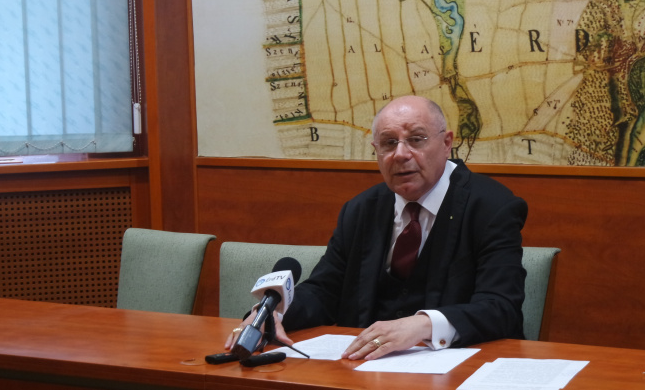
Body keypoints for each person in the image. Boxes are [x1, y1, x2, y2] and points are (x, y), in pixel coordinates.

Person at [225, 95, 527, 360]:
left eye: (416, 139)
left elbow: (501, 307)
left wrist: (423, 324)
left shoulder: (491, 207)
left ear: (447, 143)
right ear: (376, 150)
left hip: (457, 367)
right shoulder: (361, 209)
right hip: (364, 368)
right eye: (389, 143)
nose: (401, 154)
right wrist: (274, 313)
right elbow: (325, 290)